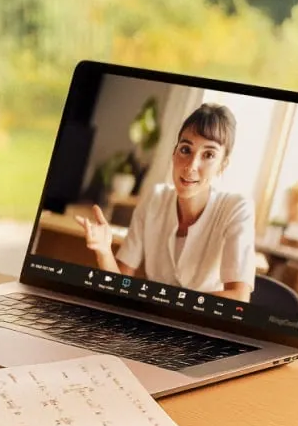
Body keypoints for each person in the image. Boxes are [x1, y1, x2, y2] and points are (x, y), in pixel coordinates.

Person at [78, 103, 255, 299]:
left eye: (209, 155)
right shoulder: (155, 198)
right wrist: (104, 251)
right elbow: (120, 284)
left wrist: (165, 302)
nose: (191, 166)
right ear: (174, 153)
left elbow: (239, 297)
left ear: (223, 165)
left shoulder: (236, 208)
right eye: (185, 150)